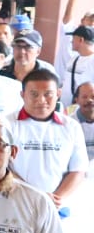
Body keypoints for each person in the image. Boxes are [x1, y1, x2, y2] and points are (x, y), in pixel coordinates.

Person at [6, 67, 86, 204]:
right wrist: (34, 196)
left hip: (57, 205)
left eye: (48, 94)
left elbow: (78, 170)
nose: (41, 100)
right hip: (17, 202)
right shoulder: (6, 125)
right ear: (22, 94)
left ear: (58, 94)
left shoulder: (71, 126)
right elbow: (1, 168)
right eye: (34, 94)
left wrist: (56, 199)